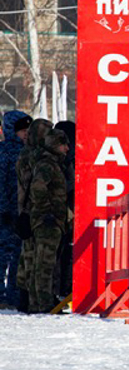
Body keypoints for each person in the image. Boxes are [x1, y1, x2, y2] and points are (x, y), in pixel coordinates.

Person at [28, 129, 69, 313]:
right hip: (47, 222)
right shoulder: (47, 164)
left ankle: (45, 300)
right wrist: (46, 212)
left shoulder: (54, 163)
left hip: (53, 220)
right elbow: (37, 187)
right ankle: (42, 304)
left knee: (48, 263)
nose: (67, 148)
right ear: (54, 145)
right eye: (63, 144)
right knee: (44, 264)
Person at [15, 118, 53, 313]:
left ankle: (25, 299)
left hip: (25, 209)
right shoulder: (37, 156)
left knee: (27, 256)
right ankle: (34, 301)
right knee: (36, 258)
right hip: (35, 210)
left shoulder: (24, 153)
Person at [0, 111, 31, 309]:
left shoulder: (24, 152)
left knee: (14, 255)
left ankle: (11, 294)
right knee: (7, 255)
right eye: (22, 130)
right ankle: (8, 295)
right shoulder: (8, 153)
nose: (25, 134)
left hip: (15, 213)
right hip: (7, 213)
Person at [53, 120, 75, 298]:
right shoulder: (66, 157)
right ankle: (65, 287)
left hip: (63, 209)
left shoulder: (61, 157)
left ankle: (62, 288)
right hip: (67, 210)